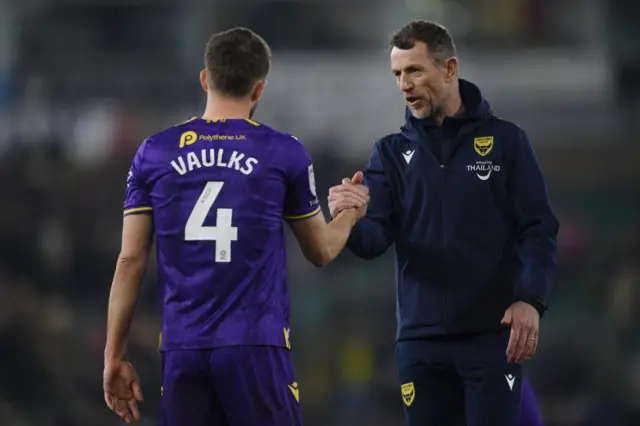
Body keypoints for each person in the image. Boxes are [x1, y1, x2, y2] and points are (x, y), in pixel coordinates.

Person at [102, 27, 367, 426]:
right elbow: (321, 250)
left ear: (205, 79)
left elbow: (130, 261)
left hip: (181, 349)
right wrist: (351, 210)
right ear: (258, 89)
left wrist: (114, 355)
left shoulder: (154, 152)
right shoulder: (282, 152)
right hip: (255, 347)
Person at [328, 20, 559, 426]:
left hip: (490, 337)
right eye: (398, 74)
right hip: (420, 344)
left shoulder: (506, 142)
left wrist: (530, 299)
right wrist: (349, 218)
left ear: (449, 68)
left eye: (414, 71)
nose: (404, 84)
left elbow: (538, 229)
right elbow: (373, 240)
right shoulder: (389, 154)